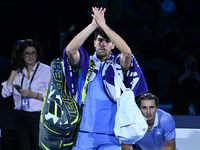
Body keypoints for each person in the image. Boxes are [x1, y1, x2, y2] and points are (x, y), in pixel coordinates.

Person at [63, 7, 148, 149]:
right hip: (84, 135)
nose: (103, 44)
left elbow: (127, 52)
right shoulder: (85, 63)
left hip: (111, 137)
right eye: (100, 40)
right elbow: (70, 50)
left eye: (107, 41)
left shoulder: (118, 64)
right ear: (94, 43)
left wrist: (103, 25)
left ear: (113, 45)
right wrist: (93, 26)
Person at [1, 39, 51, 150]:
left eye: (33, 53)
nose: (30, 56)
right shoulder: (18, 72)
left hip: (38, 117)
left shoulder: (46, 70)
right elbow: (5, 93)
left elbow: (52, 96)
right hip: (20, 116)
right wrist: (14, 71)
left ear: (37, 54)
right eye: (27, 53)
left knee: (38, 148)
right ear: (22, 55)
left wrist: (33, 95)